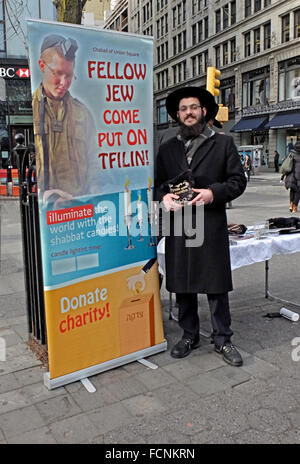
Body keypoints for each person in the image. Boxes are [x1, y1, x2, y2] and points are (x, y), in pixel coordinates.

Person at [155, 86, 246, 367]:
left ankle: (222, 339)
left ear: (203, 111)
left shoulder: (223, 143)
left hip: (210, 222)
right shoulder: (168, 147)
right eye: (183, 109)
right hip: (179, 224)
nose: (188, 113)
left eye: (193, 108)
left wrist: (212, 193)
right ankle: (189, 335)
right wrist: (164, 197)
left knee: (216, 284)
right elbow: (158, 185)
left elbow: (238, 181)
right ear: (177, 115)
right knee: (182, 282)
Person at [32, 34, 97, 205]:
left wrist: (91, 198)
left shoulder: (83, 113)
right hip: (45, 211)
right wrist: (41, 194)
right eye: (57, 73)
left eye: (69, 75)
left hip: (80, 207)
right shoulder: (30, 109)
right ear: (42, 66)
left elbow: (95, 163)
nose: (63, 82)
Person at [284, 141, 300, 213]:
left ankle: (291, 205)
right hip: (298, 176)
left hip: (291, 175)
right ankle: (294, 207)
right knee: (298, 191)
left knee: (292, 190)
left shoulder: (291, 153)